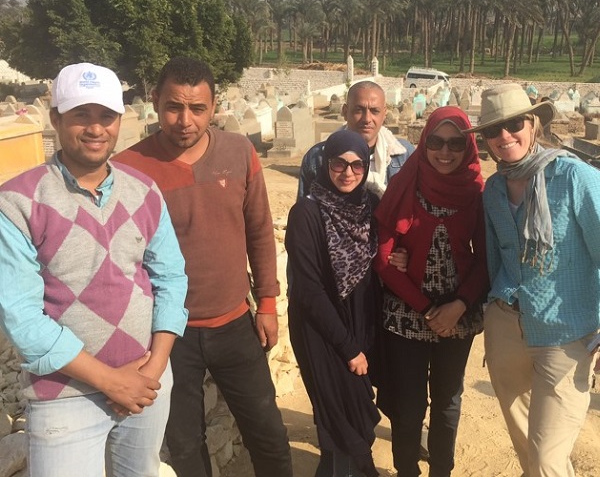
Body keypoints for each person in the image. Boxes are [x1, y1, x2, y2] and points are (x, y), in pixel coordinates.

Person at [0, 62, 188, 477]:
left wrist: (153, 368)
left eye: (106, 116)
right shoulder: (15, 203)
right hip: (65, 396)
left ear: (120, 121)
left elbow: (171, 278)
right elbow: (23, 318)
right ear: (55, 120)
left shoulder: (144, 191)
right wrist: (109, 381)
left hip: (146, 382)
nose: (95, 128)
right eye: (80, 115)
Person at [114, 57, 292, 477]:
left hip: (235, 324)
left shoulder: (238, 151)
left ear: (214, 107)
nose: (185, 120)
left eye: (198, 109)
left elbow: (260, 230)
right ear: (155, 101)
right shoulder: (128, 169)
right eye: (174, 106)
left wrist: (266, 301)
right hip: (166, 335)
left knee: (268, 433)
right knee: (184, 444)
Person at [464, 83, 600, 477]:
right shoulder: (492, 190)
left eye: (514, 125)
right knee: (530, 449)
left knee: (546, 459)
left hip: (566, 333)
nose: (505, 137)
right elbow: (494, 258)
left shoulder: (573, 176)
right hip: (506, 328)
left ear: (533, 123)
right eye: (493, 130)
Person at [374, 106, 488, 477]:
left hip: (459, 312)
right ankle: (407, 470)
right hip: (409, 310)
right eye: (436, 141)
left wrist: (458, 305)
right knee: (408, 406)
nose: (445, 151)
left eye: (456, 143)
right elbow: (384, 259)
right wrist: (426, 308)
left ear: (468, 146)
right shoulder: (406, 182)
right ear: (424, 142)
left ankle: (442, 471)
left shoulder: (475, 192)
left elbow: (487, 259)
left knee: (447, 401)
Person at [286, 130, 381, 477]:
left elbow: (385, 255)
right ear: (326, 164)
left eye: (357, 165)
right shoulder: (306, 213)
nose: (348, 172)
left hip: (359, 323)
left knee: (356, 408)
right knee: (336, 413)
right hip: (320, 329)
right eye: (339, 163)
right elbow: (309, 289)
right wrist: (348, 348)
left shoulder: (371, 207)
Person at [297, 80, 414, 199]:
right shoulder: (317, 158)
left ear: (384, 114)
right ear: (345, 111)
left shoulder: (405, 156)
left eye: (375, 111)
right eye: (359, 110)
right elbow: (305, 211)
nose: (367, 119)